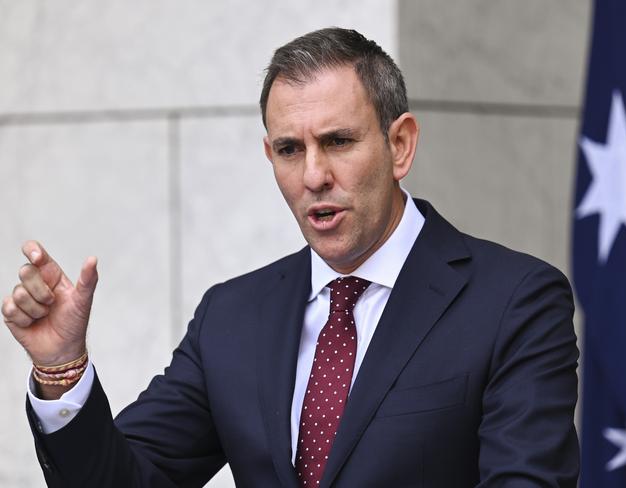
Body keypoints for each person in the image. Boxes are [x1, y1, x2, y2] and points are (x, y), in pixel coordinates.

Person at [2, 27, 579, 487]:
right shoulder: (231, 316)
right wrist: (63, 369)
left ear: (399, 145)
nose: (314, 176)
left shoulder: (513, 300)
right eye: (289, 149)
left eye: (338, 141)